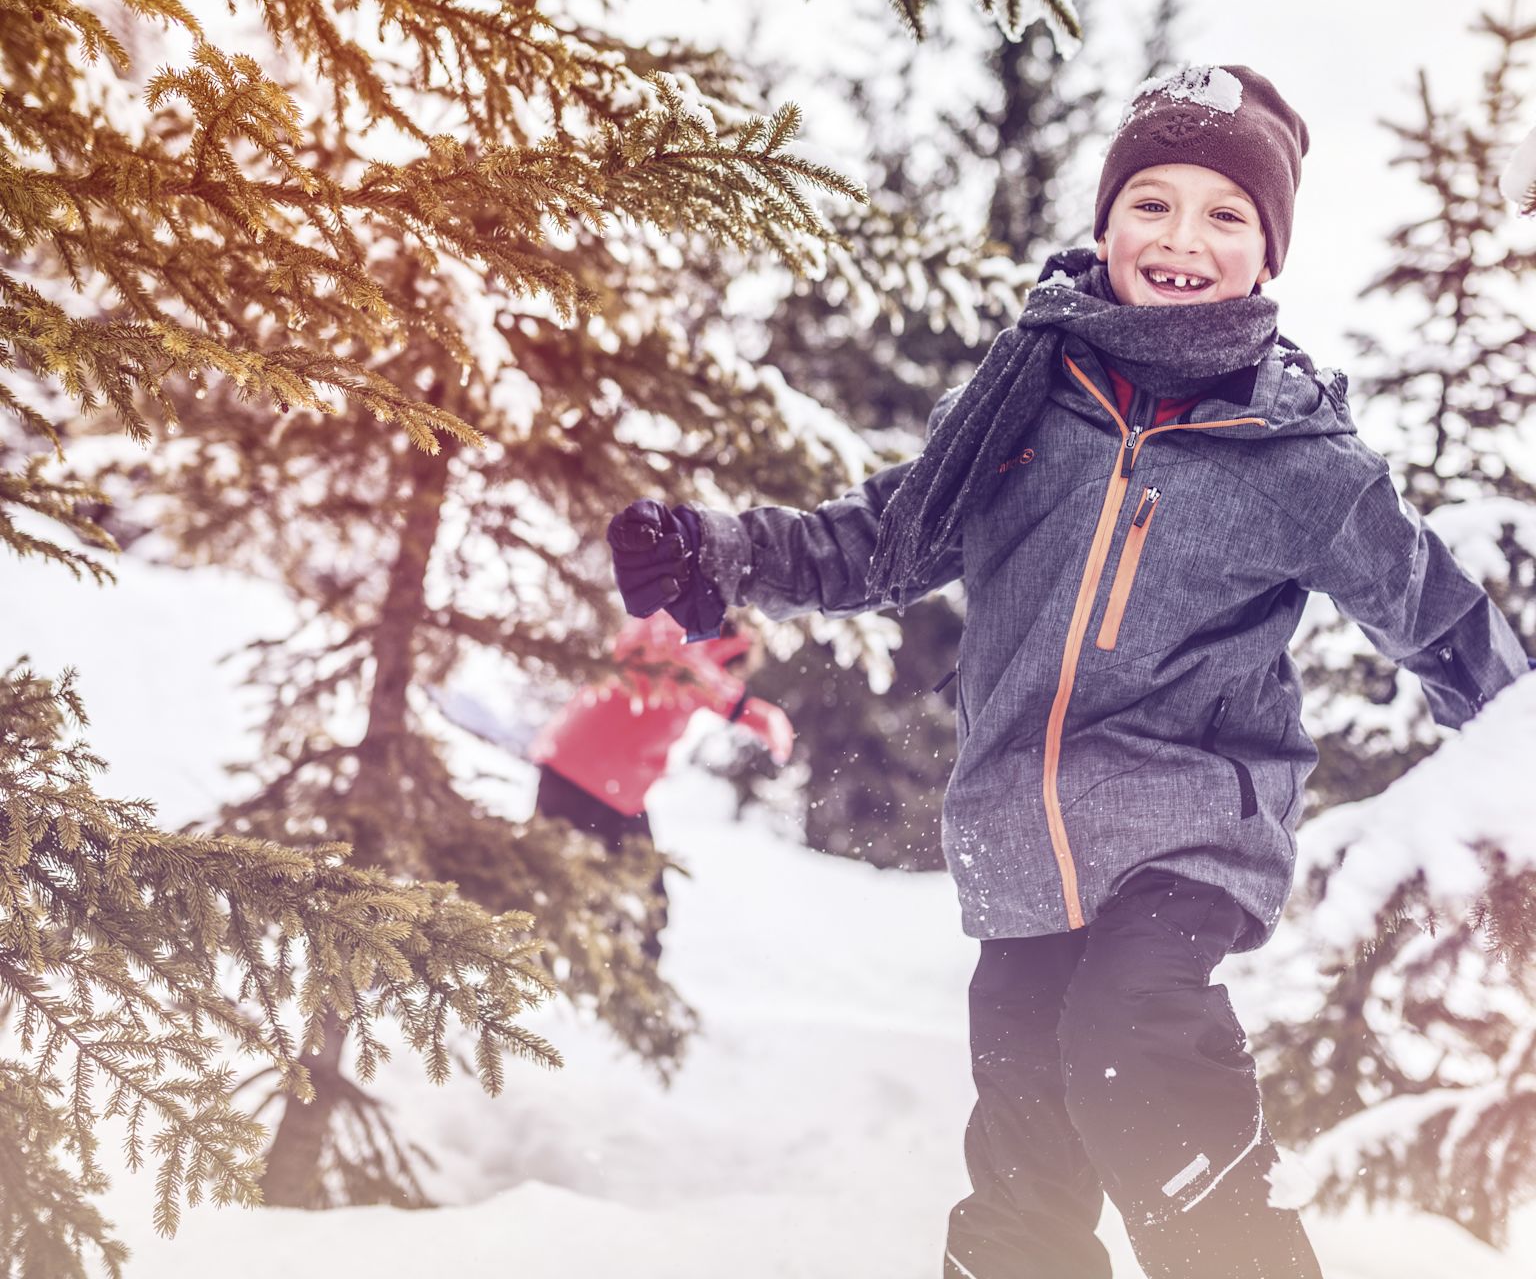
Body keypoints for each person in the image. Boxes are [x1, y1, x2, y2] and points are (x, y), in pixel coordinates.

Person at [604, 64, 1531, 1278]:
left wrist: (1520, 768)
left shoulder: (1300, 457)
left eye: (1225, 214)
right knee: (1025, 1157)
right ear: (1105, 224)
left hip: (1191, 823)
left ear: (1268, 255)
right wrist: (721, 553)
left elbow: (1443, 622)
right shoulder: (1025, 399)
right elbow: (885, 540)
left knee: (1131, 1040)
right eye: (1151, 202)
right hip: (1020, 835)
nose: (1181, 237)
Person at [528, 610, 792, 951]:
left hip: (610, 789)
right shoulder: (672, 629)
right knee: (547, 877)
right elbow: (681, 662)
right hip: (578, 775)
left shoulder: (698, 668)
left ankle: (627, 978)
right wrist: (746, 708)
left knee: (646, 902)